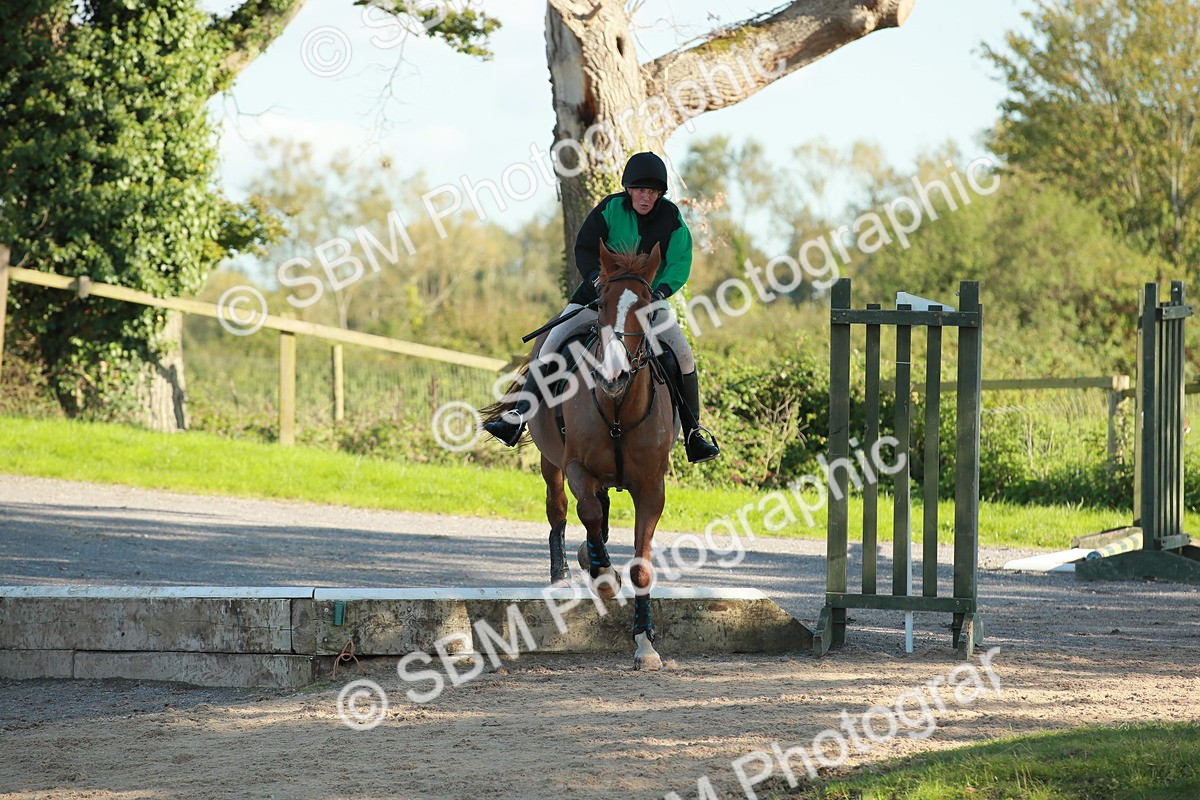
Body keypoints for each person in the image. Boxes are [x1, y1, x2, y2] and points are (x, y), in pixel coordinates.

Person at [484, 151, 720, 464]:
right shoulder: (611, 208)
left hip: (646, 302)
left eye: (652, 192)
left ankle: (693, 433)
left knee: (684, 356)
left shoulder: (671, 218)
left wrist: (661, 291)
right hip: (597, 297)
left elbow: (679, 261)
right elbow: (584, 246)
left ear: (660, 194)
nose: (645, 197)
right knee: (552, 343)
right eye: (640, 190)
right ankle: (518, 415)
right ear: (629, 189)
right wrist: (597, 280)